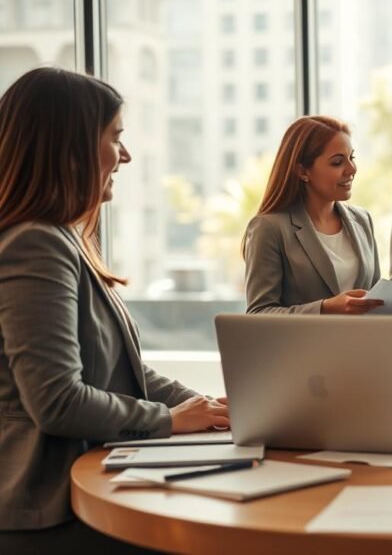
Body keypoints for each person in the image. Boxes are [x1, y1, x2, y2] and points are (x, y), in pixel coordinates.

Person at [0, 67, 228, 552]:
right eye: (116, 138)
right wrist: (170, 420)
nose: (126, 156)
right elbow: (57, 401)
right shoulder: (36, 244)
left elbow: (121, 370)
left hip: (85, 488)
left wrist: (212, 409)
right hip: (48, 508)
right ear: (72, 146)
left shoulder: (63, 238)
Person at [244, 116, 385, 315]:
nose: (352, 169)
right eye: (337, 162)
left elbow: (376, 300)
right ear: (302, 171)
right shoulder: (269, 228)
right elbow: (259, 312)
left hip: (360, 337)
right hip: (305, 338)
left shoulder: (362, 220)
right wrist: (325, 308)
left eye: (351, 158)